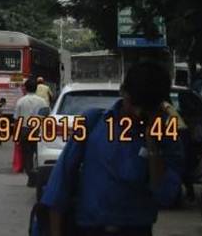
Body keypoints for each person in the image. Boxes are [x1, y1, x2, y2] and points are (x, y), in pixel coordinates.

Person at [39, 61, 183, 236]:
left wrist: (153, 143)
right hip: (89, 229)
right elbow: (60, 184)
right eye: (134, 104)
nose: (138, 114)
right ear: (123, 92)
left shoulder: (167, 138)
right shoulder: (92, 123)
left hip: (136, 230)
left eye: (146, 108)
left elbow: (165, 195)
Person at [16, 76, 50, 187]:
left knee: (27, 155)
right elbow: (46, 117)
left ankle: (31, 176)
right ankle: (37, 176)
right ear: (36, 88)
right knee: (39, 154)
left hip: (25, 130)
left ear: (26, 88)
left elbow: (17, 119)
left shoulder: (21, 101)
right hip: (38, 130)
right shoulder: (43, 102)